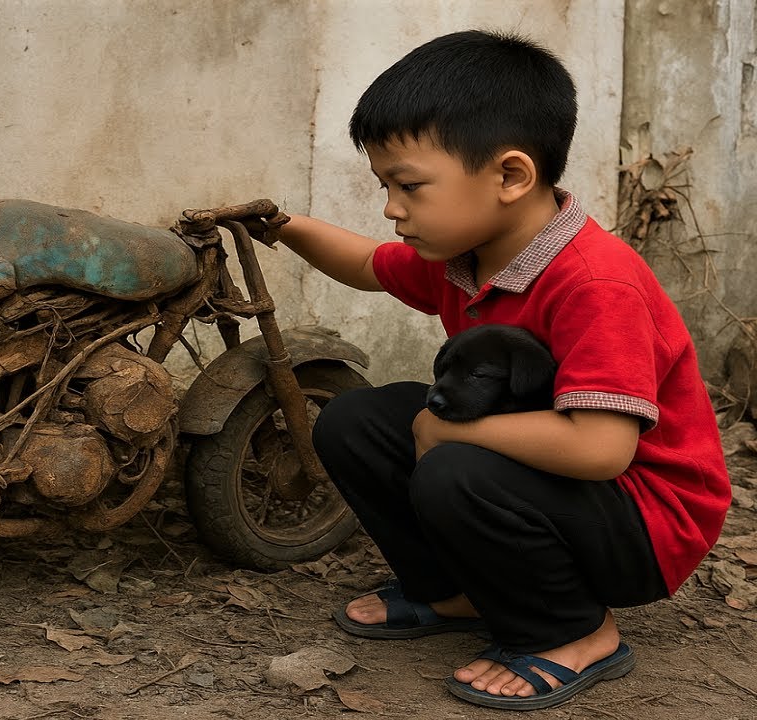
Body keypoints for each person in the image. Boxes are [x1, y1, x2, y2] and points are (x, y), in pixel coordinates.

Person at [264, 30, 730, 710]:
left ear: (510, 176)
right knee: (355, 420)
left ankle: (573, 631)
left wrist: (451, 432)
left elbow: (602, 449)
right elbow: (366, 264)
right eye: (384, 185)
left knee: (455, 464)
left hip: (645, 518)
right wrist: (280, 225)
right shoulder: (467, 254)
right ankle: (457, 592)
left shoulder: (596, 283)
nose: (391, 207)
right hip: (552, 481)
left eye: (408, 185)